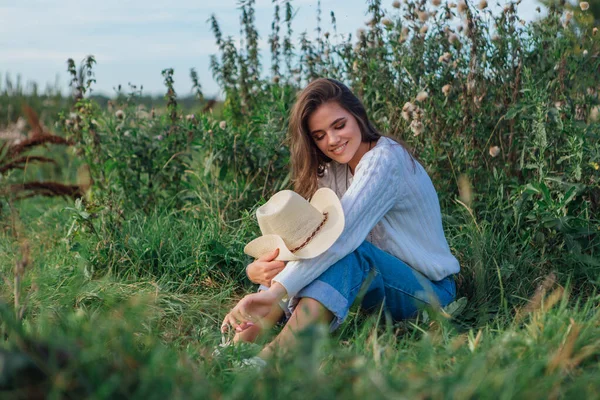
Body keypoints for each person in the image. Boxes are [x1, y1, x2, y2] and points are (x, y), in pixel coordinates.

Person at [221, 77, 460, 361]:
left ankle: (270, 360)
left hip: (429, 292)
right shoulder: (332, 171)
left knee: (346, 252)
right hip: (377, 283)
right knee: (314, 250)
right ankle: (232, 350)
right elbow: (310, 244)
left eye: (339, 125)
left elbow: (341, 241)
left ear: (357, 116)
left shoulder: (384, 161)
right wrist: (262, 272)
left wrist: (276, 294)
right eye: (320, 135)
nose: (332, 140)